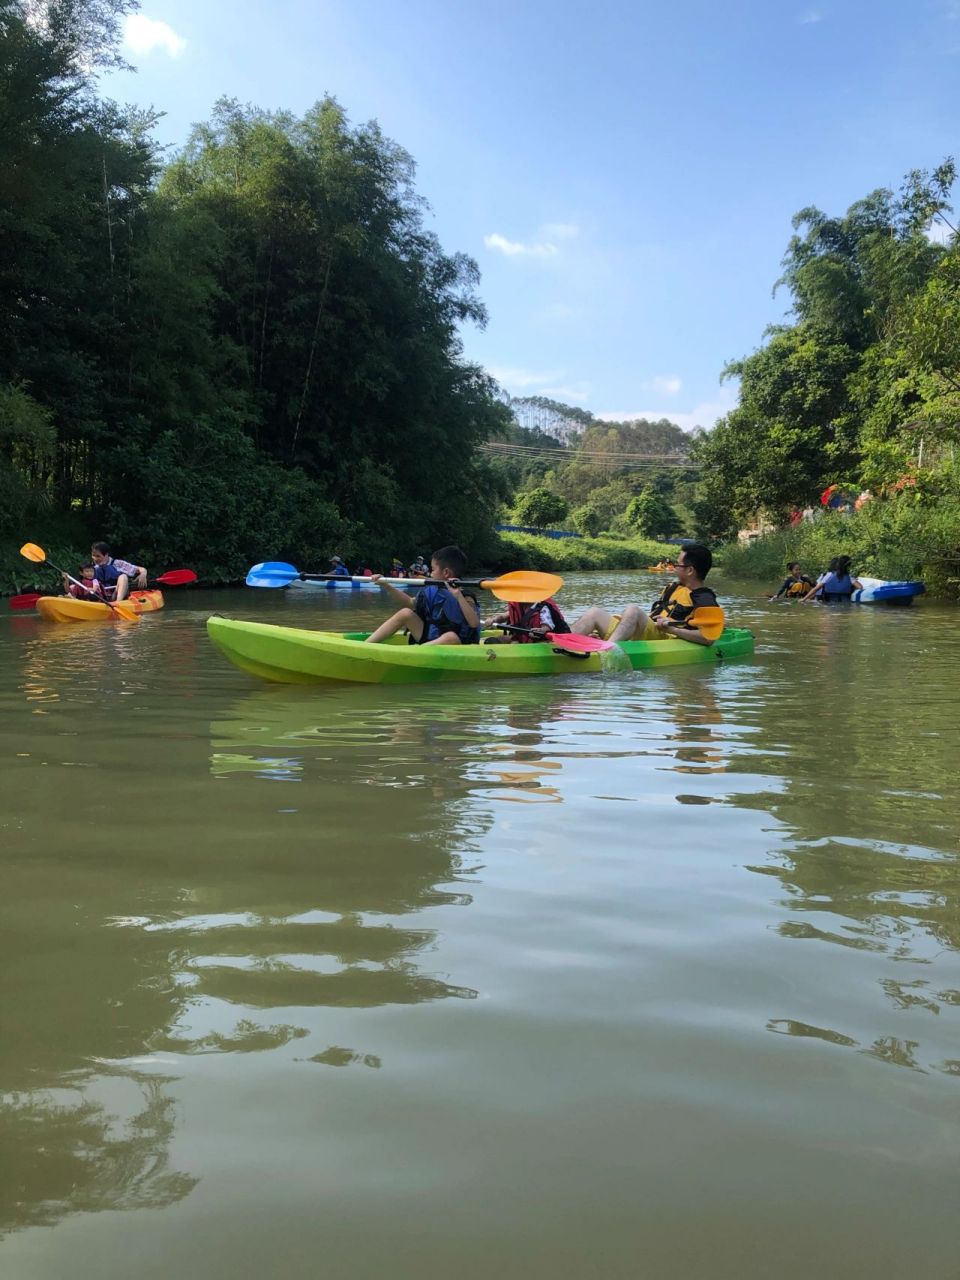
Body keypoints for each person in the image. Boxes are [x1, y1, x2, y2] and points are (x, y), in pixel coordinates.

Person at [571, 543, 719, 647]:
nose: (674, 568)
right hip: (649, 631)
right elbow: (653, 616)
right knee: (594, 613)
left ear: (690, 570)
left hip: (666, 636)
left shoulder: (704, 598)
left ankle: (608, 649)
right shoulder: (672, 588)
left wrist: (673, 630)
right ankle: (556, 644)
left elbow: (708, 638)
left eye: (677, 565)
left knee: (633, 609)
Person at [365, 545, 481, 646]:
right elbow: (410, 603)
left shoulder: (465, 596)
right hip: (432, 639)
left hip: (458, 644)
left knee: (450, 637)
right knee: (405, 613)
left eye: (433, 569)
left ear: (446, 572)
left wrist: (458, 596)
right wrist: (386, 585)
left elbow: (474, 623)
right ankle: (366, 645)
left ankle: (414, 653)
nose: (431, 573)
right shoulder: (432, 589)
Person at [482, 596, 570, 644]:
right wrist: (493, 620)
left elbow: (547, 625)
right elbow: (503, 616)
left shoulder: (543, 607)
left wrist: (542, 630)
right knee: (502, 638)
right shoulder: (518, 604)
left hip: (541, 640)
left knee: (540, 643)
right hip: (523, 638)